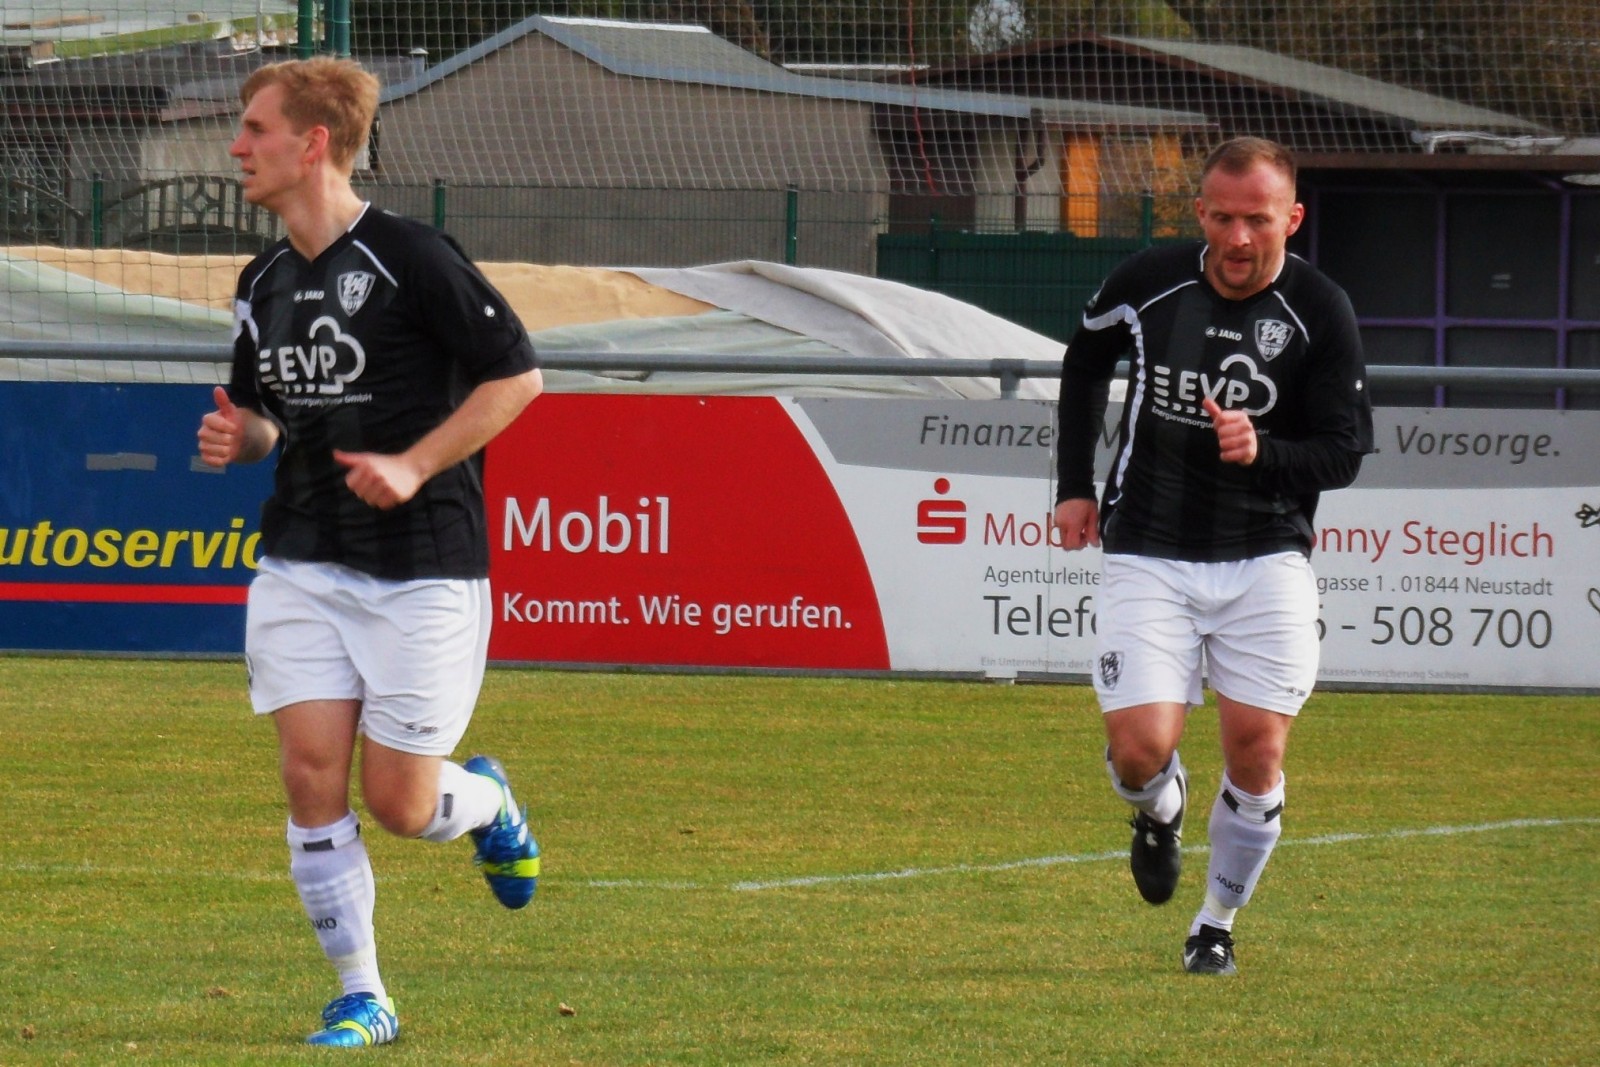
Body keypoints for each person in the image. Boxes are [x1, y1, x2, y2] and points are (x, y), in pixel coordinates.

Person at [196, 57, 544, 1046]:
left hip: (423, 566)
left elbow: (515, 378)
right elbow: (264, 416)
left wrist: (413, 461)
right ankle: (363, 993)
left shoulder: (410, 255)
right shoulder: (259, 281)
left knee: (400, 802)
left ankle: (483, 801)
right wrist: (242, 437)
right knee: (311, 773)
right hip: (301, 558)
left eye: (255, 128)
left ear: (313, 144)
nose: (238, 146)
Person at [1051, 136, 1372, 976]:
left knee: (1256, 749)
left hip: (1265, 555)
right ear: (1200, 213)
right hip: (1149, 547)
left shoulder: (1321, 310)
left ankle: (1214, 925)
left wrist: (1261, 449)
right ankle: (1160, 812)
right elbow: (1083, 360)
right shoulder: (1148, 282)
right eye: (1223, 218)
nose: (1238, 238)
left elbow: (1342, 452)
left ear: (1290, 219)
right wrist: (1073, 484)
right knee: (1136, 752)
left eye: (1257, 220)